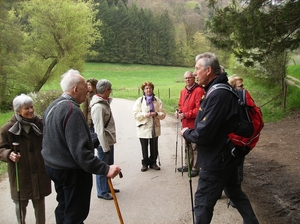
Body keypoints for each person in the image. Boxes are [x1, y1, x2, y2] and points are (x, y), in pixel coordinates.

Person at [181, 52, 259, 224]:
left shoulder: (218, 94)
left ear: (208, 70)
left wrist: (186, 132)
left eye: (197, 69)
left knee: (202, 203)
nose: (194, 73)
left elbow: (203, 134)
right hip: (227, 156)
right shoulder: (218, 89)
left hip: (217, 159)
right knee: (235, 193)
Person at [41, 69, 121, 224]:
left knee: (64, 207)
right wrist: (105, 169)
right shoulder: (71, 110)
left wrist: (94, 139)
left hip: (54, 168)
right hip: (71, 172)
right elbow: (80, 153)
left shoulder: (53, 106)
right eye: (86, 86)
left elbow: (60, 138)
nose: (89, 89)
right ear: (75, 89)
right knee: (75, 214)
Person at [0, 94, 51, 224]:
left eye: (32, 107)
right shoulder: (7, 129)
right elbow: (1, 149)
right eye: (26, 108)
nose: (31, 110)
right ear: (18, 111)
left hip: (39, 172)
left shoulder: (40, 124)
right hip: (20, 174)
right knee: (20, 205)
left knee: (40, 204)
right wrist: (8, 154)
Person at [90, 79, 119, 200]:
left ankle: (108, 187)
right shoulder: (98, 107)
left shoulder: (104, 103)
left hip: (108, 141)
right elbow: (99, 129)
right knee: (103, 167)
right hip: (104, 143)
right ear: (106, 90)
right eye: (110, 89)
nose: (111, 91)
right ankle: (102, 191)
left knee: (109, 166)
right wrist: (105, 147)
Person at [175, 71, 205, 177]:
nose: (187, 80)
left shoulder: (199, 91)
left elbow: (199, 109)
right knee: (187, 145)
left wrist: (186, 114)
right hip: (185, 123)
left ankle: (196, 168)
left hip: (194, 124)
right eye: (186, 78)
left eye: (189, 78)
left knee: (195, 146)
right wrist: (178, 111)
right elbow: (180, 104)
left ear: (194, 78)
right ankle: (187, 164)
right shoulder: (183, 91)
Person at [132, 81, 166, 172]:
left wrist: (156, 113)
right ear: (143, 90)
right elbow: (135, 114)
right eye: (146, 88)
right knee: (144, 146)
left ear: (152, 89)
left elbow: (163, 114)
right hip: (143, 127)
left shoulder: (157, 100)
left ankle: (153, 163)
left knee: (154, 146)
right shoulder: (139, 101)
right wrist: (145, 114)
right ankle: (145, 163)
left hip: (155, 127)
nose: (148, 90)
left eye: (150, 88)